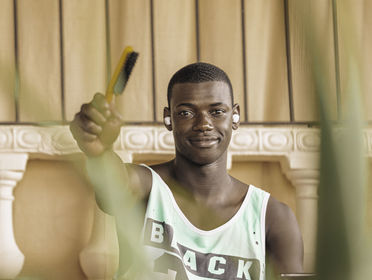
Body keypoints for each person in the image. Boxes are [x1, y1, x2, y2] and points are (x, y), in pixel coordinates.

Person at [70, 62, 303, 279]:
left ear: (235, 116)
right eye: (185, 113)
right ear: (168, 118)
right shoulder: (145, 188)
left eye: (217, 111)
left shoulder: (272, 217)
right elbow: (112, 189)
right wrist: (98, 152)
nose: (203, 124)